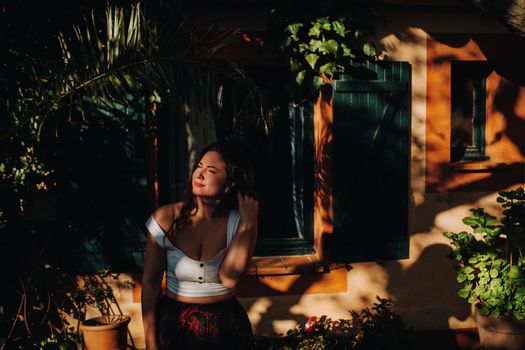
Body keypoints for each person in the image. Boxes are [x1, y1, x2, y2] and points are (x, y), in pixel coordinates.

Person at [141, 141, 259, 350]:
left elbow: (230, 278)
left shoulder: (242, 221)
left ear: (230, 184)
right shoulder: (165, 219)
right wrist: (150, 342)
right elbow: (150, 282)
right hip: (175, 327)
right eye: (199, 167)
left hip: (227, 329)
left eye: (211, 170)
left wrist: (248, 224)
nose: (200, 174)